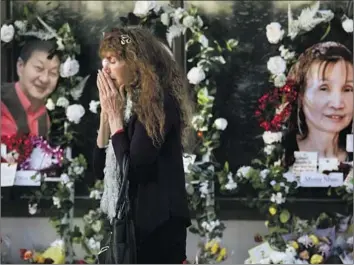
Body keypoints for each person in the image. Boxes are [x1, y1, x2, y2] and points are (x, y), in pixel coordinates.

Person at [93, 27, 193, 264]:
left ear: (135, 63)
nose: (105, 68)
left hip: (159, 228)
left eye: (113, 60)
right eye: (103, 60)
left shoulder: (158, 103)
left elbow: (136, 167)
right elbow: (99, 170)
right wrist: (105, 118)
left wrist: (116, 118)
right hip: (132, 225)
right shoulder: (123, 103)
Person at [284, 41, 353, 167]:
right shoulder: (279, 154)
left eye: (347, 89)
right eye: (324, 88)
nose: (337, 104)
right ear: (300, 94)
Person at [1, 39, 60, 138]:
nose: (44, 79)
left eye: (53, 73)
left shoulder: (44, 116)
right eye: (38, 68)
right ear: (20, 66)